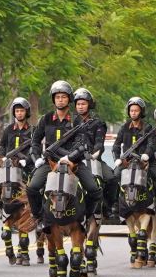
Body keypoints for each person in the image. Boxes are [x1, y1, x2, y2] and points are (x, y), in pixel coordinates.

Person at [26, 81, 103, 230]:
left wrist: (69, 157)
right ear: (53, 99)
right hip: (50, 163)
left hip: (73, 163)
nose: (60, 99)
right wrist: (36, 159)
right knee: (32, 188)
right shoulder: (45, 119)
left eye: (63, 97)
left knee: (94, 190)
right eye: (57, 97)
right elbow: (35, 142)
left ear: (69, 99)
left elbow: (82, 145)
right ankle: (39, 217)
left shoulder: (78, 120)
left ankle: (86, 217)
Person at [74, 87, 117, 217]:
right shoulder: (70, 122)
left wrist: (95, 153)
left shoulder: (98, 123)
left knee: (112, 179)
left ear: (89, 105)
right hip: (73, 160)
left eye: (83, 104)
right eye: (78, 104)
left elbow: (99, 142)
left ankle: (108, 207)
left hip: (93, 159)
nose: (80, 106)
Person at [0, 97, 34, 178]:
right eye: (17, 111)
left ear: (26, 112)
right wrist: (2, 157)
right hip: (9, 165)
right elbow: (1, 145)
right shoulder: (8, 129)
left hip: (27, 167)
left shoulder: (33, 131)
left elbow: (36, 149)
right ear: (14, 113)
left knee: (33, 187)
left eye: (22, 111)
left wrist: (27, 161)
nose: (19, 113)